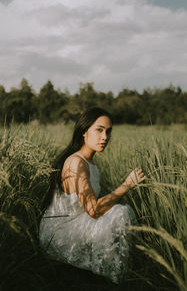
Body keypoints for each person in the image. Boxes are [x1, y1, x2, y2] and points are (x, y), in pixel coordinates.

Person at [39, 106, 146, 284]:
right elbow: (93, 209)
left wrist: (119, 199)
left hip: (79, 222)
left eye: (108, 131)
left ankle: (128, 273)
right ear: (84, 131)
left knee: (121, 209)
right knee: (120, 214)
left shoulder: (90, 163)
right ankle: (116, 278)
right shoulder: (75, 162)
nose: (105, 137)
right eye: (99, 130)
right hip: (62, 232)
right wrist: (126, 185)